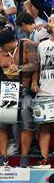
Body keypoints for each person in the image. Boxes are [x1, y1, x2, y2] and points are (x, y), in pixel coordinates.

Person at [0, 29, 39, 167]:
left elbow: (35, 64)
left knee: (26, 122)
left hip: (24, 89)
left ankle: (24, 157)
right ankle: (3, 157)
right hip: (6, 90)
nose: (0, 47)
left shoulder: (26, 47)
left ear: (11, 42)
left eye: (3, 44)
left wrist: (19, 68)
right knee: (0, 124)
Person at [32, 18, 54, 168]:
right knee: (44, 127)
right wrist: (34, 82)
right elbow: (37, 66)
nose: (50, 23)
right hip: (45, 90)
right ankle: (44, 160)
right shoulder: (42, 45)